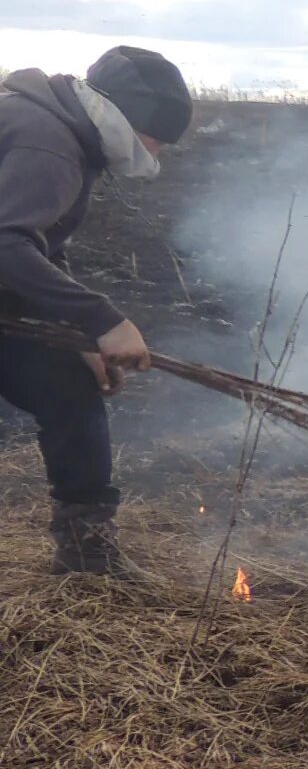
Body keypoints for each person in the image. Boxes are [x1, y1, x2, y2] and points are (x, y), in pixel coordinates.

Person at [0, 46, 192, 577]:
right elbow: (7, 244)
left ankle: (87, 556)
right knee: (66, 394)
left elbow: (34, 247)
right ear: (134, 121)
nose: (157, 153)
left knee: (68, 387)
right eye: (160, 139)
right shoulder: (48, 142)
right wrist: (104, 320)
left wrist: (74, 332)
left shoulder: (53, 128)